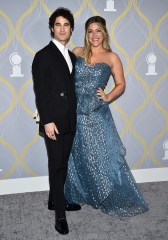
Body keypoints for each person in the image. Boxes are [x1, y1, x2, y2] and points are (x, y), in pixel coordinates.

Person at [64, 16, 149, 218]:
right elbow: (63, 78)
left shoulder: (112, 57)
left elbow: (121, 84)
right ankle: (81, 194)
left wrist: (108, 96)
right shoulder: (76, 52)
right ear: (86, 33)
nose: (94, 35)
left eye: (98, 30)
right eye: (90, 31)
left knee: (101, 156)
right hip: (73, 112)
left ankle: (106, 195)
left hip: (96, 114)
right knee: (77, 156)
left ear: (104, 33)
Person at [32, 7, 81, 235]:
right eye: (58, 24)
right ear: (52, 28)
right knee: (56, 165)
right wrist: (47, 121)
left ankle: (55, 200)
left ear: (71, 29)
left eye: (66, 25)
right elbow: (40, 92)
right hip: (53, 122)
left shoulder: (71, 56)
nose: (62, 29)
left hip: (70, 120)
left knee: (63, 164)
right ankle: (59, 214)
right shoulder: (42, 55)